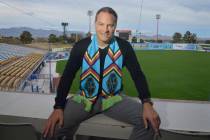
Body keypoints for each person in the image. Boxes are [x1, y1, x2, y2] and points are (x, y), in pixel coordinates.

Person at [43, 7, 161, 140]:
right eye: (101, 24)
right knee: (51, 130)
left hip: (114, 99)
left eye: (110, 25)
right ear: (95, 24)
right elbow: (68, 76)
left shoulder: (124, 47)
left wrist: (146, 103)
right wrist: (58, 107)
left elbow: (137, 75)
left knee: (150, 122)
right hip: (84, 99)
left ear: (115, 26)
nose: (105, 30)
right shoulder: (81, 46)